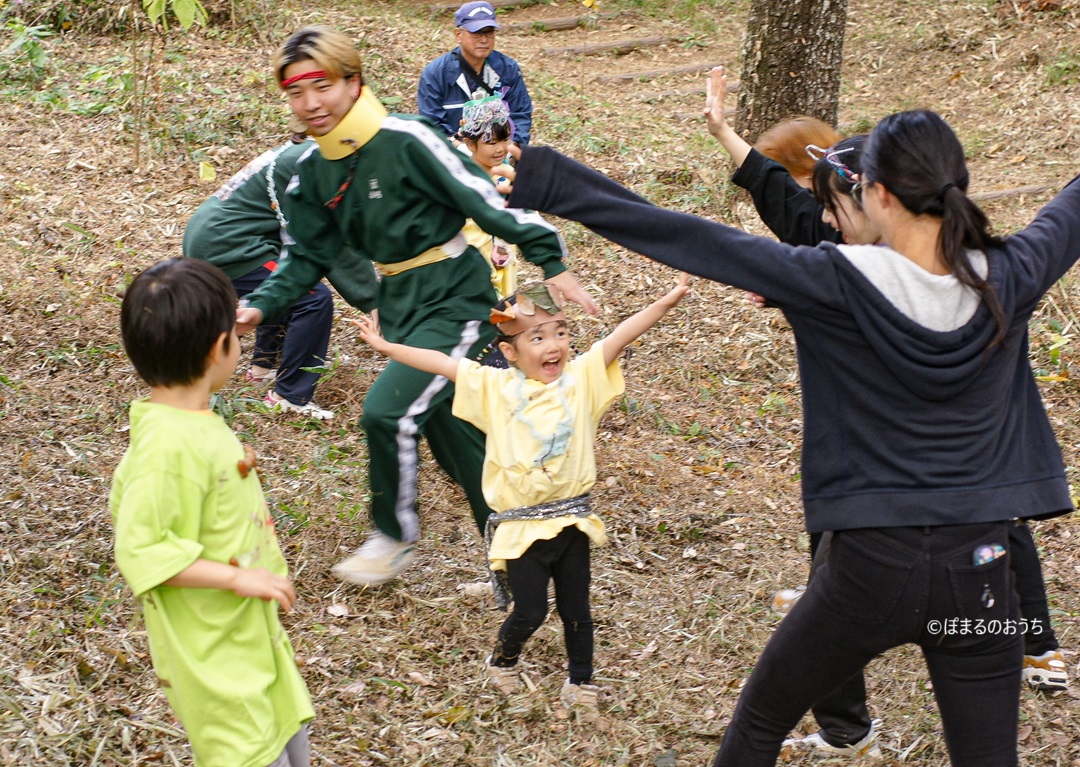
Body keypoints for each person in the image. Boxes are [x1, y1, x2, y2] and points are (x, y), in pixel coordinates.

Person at [502, 109, 1080, 766]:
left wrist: (548, 178)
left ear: (879, 195)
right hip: (979, 577)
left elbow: (685, 235)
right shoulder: (1013, 272)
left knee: (757, 727)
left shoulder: (832, 278)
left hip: (870, 575)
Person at [707, 65, 1071, 709]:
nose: (821, 214)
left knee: (984, 563)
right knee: (918, 588)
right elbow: (777, 206)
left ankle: (1031, 641)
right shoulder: (839, 258)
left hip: (941, 512)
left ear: (877, 197)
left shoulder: (981, 270)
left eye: (830, 201)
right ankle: (859, 708)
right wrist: (724, 132)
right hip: (894, 516)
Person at [234, 26, 597, 587]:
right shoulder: (311, 172)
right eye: (295, 91)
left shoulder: (408, 139)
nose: (309, 103)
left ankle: (394, 537)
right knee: (458, 442)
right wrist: (259, 307)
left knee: (387, 412)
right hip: (402, 306)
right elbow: (306, 257)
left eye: (321, 86)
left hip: (457, 299)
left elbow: (485, 201)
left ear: (353, 83)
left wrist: (551, 259)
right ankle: (516, 565)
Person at [351, 276, 691, 713]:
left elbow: (623, 333)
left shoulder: (582, 379)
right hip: (521, 529)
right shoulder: (495, 389)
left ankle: (580, 682)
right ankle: (503, 661)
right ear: (509, 352)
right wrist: (387, 349)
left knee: (577, 610)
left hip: (571, 522)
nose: (554, 345)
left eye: (561, 333)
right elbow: (440, 363)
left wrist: (668, 299)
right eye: (538, 337)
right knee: (530, 610)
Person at [110, 258, 314, 767]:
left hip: (249, 641)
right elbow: (143, 548)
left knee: (291, 744)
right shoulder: (165, 450)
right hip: (216, 661)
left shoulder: (192, 422)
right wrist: (237, 579)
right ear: (220, 347)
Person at [183, 137, 380, 421]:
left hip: (214, 231)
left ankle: (263, 367)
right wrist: (374, 300)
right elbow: (329, 242)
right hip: (228, 244)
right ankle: (290, 396)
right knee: (312, 300)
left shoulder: (313, 153)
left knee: (278, 285)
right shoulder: (319, 166)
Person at [417, 1, 533, 146]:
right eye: (476, 32)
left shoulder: (508, 69)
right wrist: (465, 151)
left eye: (489, 32)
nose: (484, 40)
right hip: (453, 157)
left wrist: (510, 150)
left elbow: (520, 115)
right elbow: (432, 126)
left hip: (499, 157)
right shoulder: (436, 74)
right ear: (458, 34)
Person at [459, 93, 520, 300]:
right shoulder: (460, 181)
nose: (501, 148)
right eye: (491, 142)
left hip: (505, 261)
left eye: (505, 139)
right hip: (470, 267)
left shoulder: (508, 177)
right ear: (469, 144)